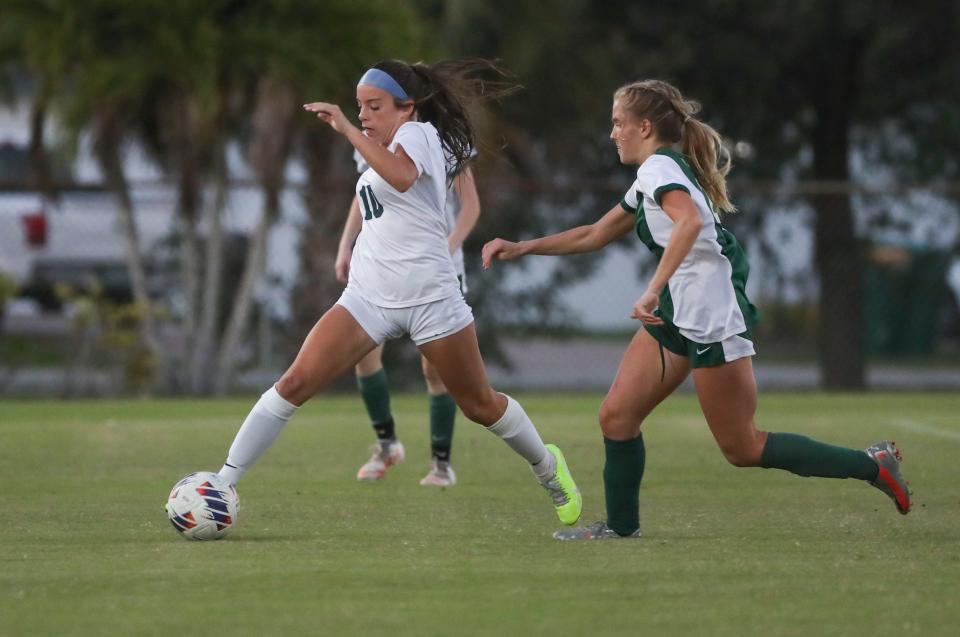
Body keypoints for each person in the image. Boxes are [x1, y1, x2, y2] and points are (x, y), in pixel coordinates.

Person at [482, 79, 912, 540]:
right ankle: (621, 528)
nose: (612, 133)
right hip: (677, 312)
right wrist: (522, 247)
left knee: (742, 447)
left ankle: (872, 465)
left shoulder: (658, 170)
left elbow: (686, 221)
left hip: (709, 314)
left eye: (617, 123)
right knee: (617, 417)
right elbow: (595, 233)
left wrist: (651, 289)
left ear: (644, 127)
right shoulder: (657, 170)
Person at [215, 59, 582, 528]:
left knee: (480, 405)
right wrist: (347, 244)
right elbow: (373, 197)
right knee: (293, 384)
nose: (364, 114)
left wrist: (349, 130)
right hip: (369, 295)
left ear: (407, 107)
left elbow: (404, 177)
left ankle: (548, 467)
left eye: (374, 106)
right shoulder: (376, 148)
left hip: (430, 297)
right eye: (358, 107)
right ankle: (224, 482)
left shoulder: (418, 136)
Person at [334, 144, 480, 487]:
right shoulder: (372, 138)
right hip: (384, 268)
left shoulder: (444, 140)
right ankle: (387, 445)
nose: (367, 113)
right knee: (363, 353)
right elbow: (364, 194)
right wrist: (345, 245)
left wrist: (447, 247)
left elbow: (470, 206)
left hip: (437, 270)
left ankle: (441, 464)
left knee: (435, 368)